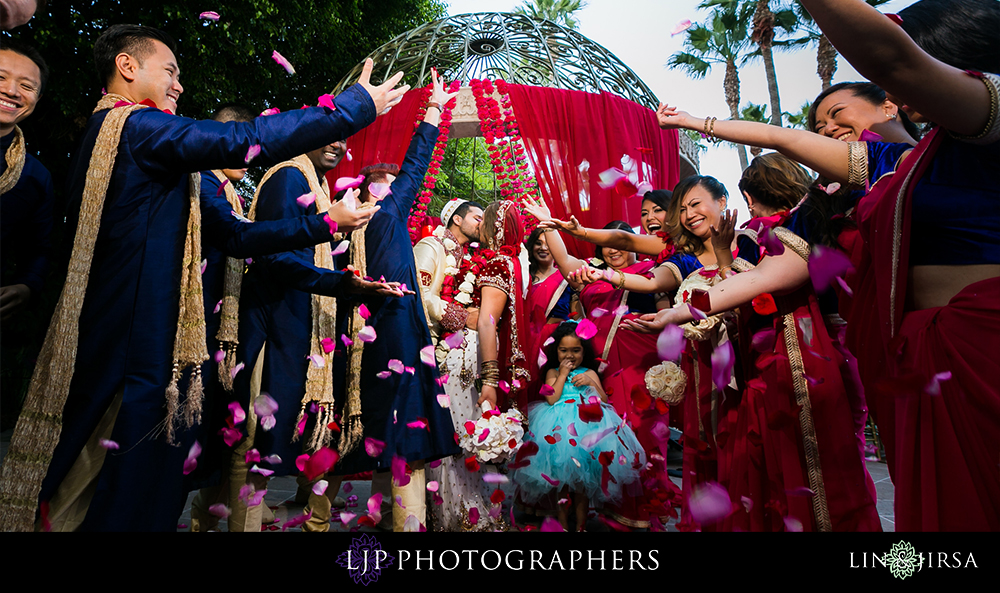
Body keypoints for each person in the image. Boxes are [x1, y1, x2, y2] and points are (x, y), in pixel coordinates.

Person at [0, 24, 410, 532]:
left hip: (146, 334)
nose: (178, 86)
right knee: (110, 468)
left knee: (116, 470)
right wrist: (351, 108)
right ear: (127, 67)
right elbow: (247, 140)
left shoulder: (141, 147)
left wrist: (327, 225)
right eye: (169, 71)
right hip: (132, 332)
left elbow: (237, 237)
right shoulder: (136, 129)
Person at [185, 106, 379, 532]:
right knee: (252, 442)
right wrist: (340, 284)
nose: (337, 142)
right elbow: (273, 257)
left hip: (291, 325)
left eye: (344, 136)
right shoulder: (289, 177)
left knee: (255, 442)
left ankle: (206, 521)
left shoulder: (316, 187)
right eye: (330, 131)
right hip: (271, 326)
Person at [329, 70, 463, 532]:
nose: (387, 184)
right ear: (362, 191)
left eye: (389, 179)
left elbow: (416, 165)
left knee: (393, 435)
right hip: (382, 340)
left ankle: (397, 527)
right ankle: (398, 528)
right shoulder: (362, 221)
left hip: (382, 339)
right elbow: (415, 164)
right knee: (393, 435)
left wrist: (434, 109)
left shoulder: (362, 219)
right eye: (377, 179)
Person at [522, 199, 677, 529]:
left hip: (642, 372)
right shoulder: (590, 276)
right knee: (612, 446)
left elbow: (668, 321)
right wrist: (549, 223)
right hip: (602, 378)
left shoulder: (652, 274)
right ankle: (613, 515)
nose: (613, 249)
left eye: (620, 241)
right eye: (607, 243)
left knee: (645, 445)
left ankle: (646, 517)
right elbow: (563, 258)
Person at [414, 198, 502, 531]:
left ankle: (462, 507)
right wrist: (459, 316)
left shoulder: (472, 257)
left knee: (461, 429)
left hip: (462, 357)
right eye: (477, 217)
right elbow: (419, 294)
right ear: (455, 219)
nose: (482, 223)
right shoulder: (431, 246)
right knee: (443, 431)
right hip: (433, 348)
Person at [512, 321, 646, 532]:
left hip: (587, 430)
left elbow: (603, 400)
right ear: (556, 351)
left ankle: (581, 526)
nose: (570, 355)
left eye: (576, 350)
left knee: (583, 485)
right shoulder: (553, 373)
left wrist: (591, 383)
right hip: (559, 431)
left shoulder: (590, 373)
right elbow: (551, 399)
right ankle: (563, 525)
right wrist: (563, 375)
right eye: (564, 350)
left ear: (584, 352)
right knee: (562, 484)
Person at [0, 40, 54, 433]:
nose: (12, 91)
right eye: (1, 78)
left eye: (26, 85)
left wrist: (27, 286)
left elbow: (42, 249)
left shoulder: (34, 177)